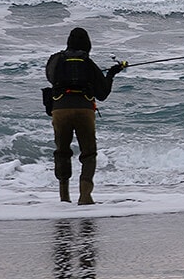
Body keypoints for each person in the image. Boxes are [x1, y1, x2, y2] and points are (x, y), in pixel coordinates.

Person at [45, 27, 125, 205]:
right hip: (84, 109)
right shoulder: (89, 62)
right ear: (87, 43)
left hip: (60, 108)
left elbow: (50, 78)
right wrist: (111, 74)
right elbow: (102, 93)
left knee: (62, 152)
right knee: (88, 153)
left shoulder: (56, 59)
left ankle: (64, 197)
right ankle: (85, 196)